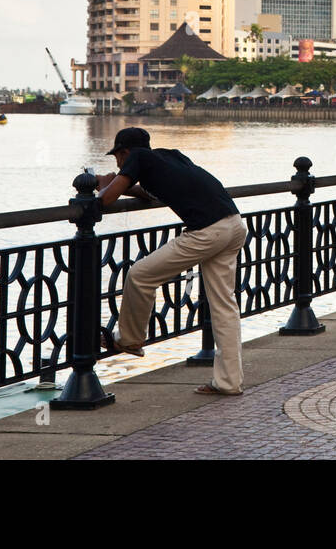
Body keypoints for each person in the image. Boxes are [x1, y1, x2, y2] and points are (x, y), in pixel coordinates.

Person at [96, 127, 247, 396]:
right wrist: (121, 185)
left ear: (125, 152)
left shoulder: (137, 158)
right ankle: (229, 382)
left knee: (140, 275)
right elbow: (154, 194)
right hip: (234, 224)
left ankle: (129, 341)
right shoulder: (169, 156)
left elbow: (106, 200)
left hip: (207, 232)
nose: (118, 164)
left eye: (117, 158)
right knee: (224, 305)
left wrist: (107, 183)